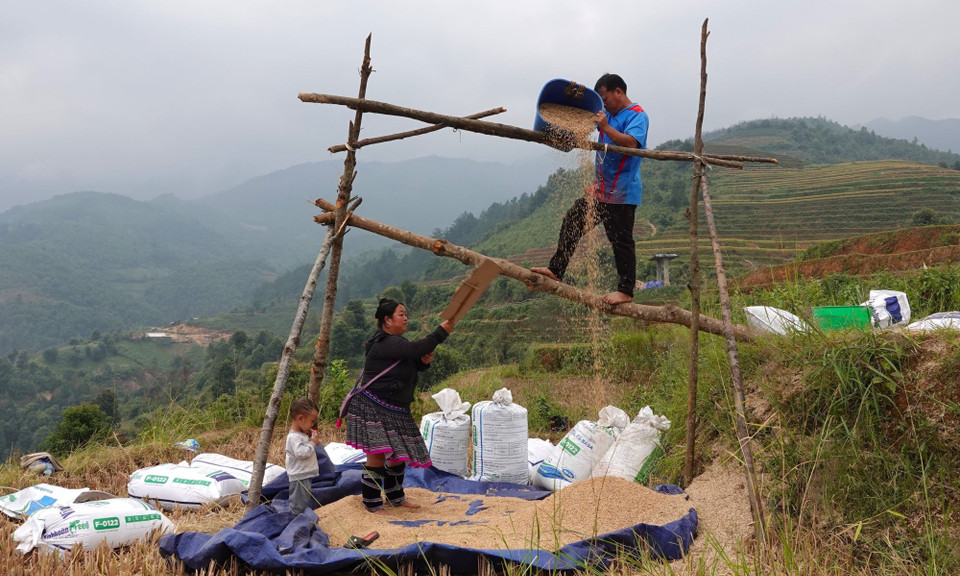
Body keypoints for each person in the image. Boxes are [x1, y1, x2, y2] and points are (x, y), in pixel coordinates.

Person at [532, 73, 649, 306]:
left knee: (621, 241)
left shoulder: (637, 115)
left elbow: (631, 144)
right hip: (600, 190)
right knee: (572, 221)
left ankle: (625, 291)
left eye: (605, 99)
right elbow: (584, 122)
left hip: (622, 192)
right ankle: (556, 269)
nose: (603, 104)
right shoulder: (607, 115)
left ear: (619, 92)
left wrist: (605, 126)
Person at [343, 298, 454, 512]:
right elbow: (416, 348)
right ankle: (372, 502)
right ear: (387, 320)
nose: (406, 318)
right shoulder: (385, 343)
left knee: (398, 455)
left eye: (406, 314)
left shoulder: (396, 344)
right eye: (401, 314)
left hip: (395, 408)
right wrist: (441, 332)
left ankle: (396, 498)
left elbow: (411, 363)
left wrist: (423, 362)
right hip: (374, 406)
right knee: (377, 454)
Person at [285, 397, 321, 515]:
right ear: (300, 418)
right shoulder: (294, 437)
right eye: (312, 421)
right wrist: (312, 443)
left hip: (304, 475)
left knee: (304, 501)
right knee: (298, 505)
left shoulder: (301, 435)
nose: (312, 424)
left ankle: (303, 517)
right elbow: (301, 453)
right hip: (299, 477)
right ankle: (296, 520)